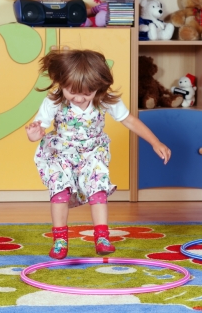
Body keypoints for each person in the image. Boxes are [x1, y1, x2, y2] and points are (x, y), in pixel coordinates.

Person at [25, 48, 171, 260]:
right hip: (62, 153)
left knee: (98, 189)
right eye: (72, 92)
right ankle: (60, 240)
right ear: (61, 82)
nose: (78, 98)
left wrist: (155, 141)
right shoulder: (54, 102)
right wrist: (34, 134)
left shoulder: (105, 99)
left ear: (98, 87)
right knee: (59, 191)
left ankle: (102, 237)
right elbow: (38, 132)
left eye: (87, 93)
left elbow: (129, 120)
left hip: (93, 152)